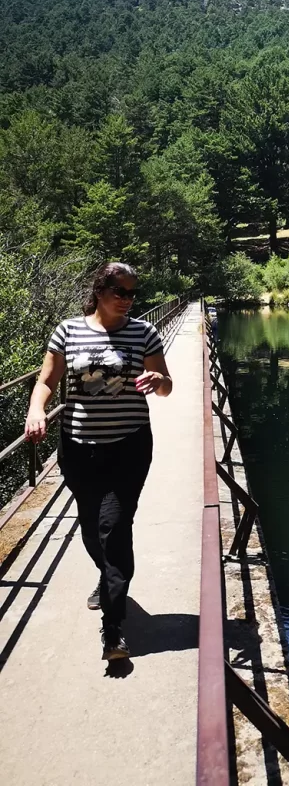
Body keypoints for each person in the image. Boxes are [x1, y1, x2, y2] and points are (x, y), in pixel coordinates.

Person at [25, 262, 173, 662]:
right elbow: (46, 381)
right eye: (119, 292)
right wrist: (36, 410)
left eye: (131, 294)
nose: (127, 300)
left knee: (114, 526)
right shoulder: (68, 330)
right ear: (100, 290)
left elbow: (166, 385)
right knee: (92, 527)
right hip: (78, 448)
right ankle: (107, 578)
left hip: (129, 446)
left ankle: (113, 628)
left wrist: (158, 382)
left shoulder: (144, 332)